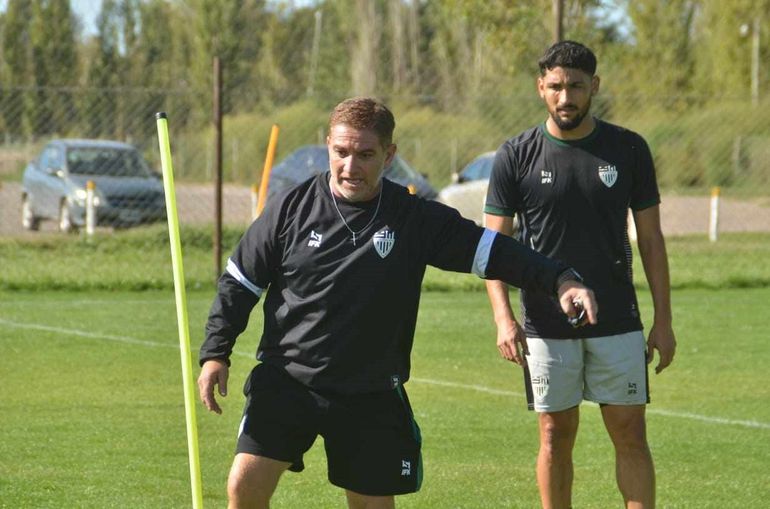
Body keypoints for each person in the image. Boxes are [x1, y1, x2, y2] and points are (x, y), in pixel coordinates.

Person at [198, 97, 598, 509]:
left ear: (389, 155)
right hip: (288, 380)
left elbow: (493, 251)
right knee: (243, 486)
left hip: (369, 391)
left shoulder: (412, 218)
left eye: (365, 155)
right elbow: (239, 283)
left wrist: (560, 279)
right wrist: (215, 353)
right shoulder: (289, 209)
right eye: (340, 152)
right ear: (328, 147)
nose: (350, 166)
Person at [483, 41, 676, 509]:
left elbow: (650, 239)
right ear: (540, 88)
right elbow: (492, 248)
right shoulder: (516, 155)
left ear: (594, 86)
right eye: (554, 86)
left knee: (630, 432)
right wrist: (503, 319)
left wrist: (664, 320)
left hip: (618, 319)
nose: (564, 97)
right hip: (545, 322)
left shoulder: (628, 148)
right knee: (554, 434)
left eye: (575, 86)